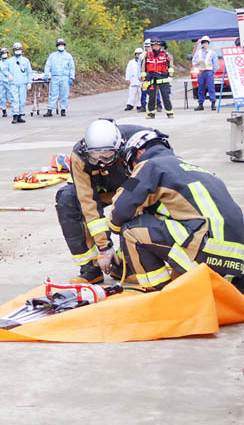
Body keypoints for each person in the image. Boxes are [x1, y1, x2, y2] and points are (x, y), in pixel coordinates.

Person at [107, 130, 244, 292]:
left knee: (130, 230)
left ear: (140, 152)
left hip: (206, 251)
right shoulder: (196, 169)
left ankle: (160, 294)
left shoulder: (149, 165)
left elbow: (119, 213)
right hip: (235, 261)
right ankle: (183, 288)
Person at [54, 119, 155, 284]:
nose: (100, 161)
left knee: (139, 205)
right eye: (94, 156)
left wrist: (126, 201)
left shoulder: (138, 145)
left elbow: (143, 186)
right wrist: (104, 247)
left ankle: (125, 264)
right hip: (100, 191)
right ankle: (90, 269)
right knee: (67, 198)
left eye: (106, 155)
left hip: (131, 186)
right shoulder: (80, 156)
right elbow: (87, 201)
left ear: (119, 147)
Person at [141, 38, 173, 119]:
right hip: (152, 79)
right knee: (151, 97)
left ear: (160, 46)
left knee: (165, 96)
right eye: (154, 45)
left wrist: (170, 76)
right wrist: (144, 78)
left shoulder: (166, 54)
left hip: (163, 78)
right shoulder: (147, 55)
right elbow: (144, 67)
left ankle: (169, 113)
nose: (155, 46)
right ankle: (151, 113)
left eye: (157, 45)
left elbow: (171, 65)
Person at [42, 38, 75, 117]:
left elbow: (72, 67)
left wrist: (72, 77)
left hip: (65, 77)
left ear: (64, 45)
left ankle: (63, 110)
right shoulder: (52, 56)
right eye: (59, 45)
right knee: (53, 93)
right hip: (55, 77)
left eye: (62, 45)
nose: (61, 46)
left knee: (64, 94)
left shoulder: (68, 56)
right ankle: (49, 110)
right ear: (57, 46)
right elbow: (48, 65)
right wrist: (46, 74)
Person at [6, 42, 31, 124]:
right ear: (13, 50)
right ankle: (15, 116)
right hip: (13, 83)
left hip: (23, 83)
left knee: (22, 100)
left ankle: (20, 115)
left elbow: (29, 72)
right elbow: (5, 71)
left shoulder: (25, 60)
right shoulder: (9, 61)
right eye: (16, 49)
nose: (17, 51)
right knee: (15, 100)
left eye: (19, 49)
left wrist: (29, 82)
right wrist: (8, 75)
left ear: (21, 50)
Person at [192, 35, 217, 111]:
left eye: (205, 43)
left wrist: (213, 72)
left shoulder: (212, 53)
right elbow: (193, 62)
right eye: (202, 43)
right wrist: (197, 67)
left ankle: (213, 104)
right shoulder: (198, 53)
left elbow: (215, 64)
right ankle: (200, 104)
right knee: (201, 88)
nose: (204, 44)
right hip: (201, 72)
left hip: (209, 72)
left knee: (211, 88)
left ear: (208, 43)